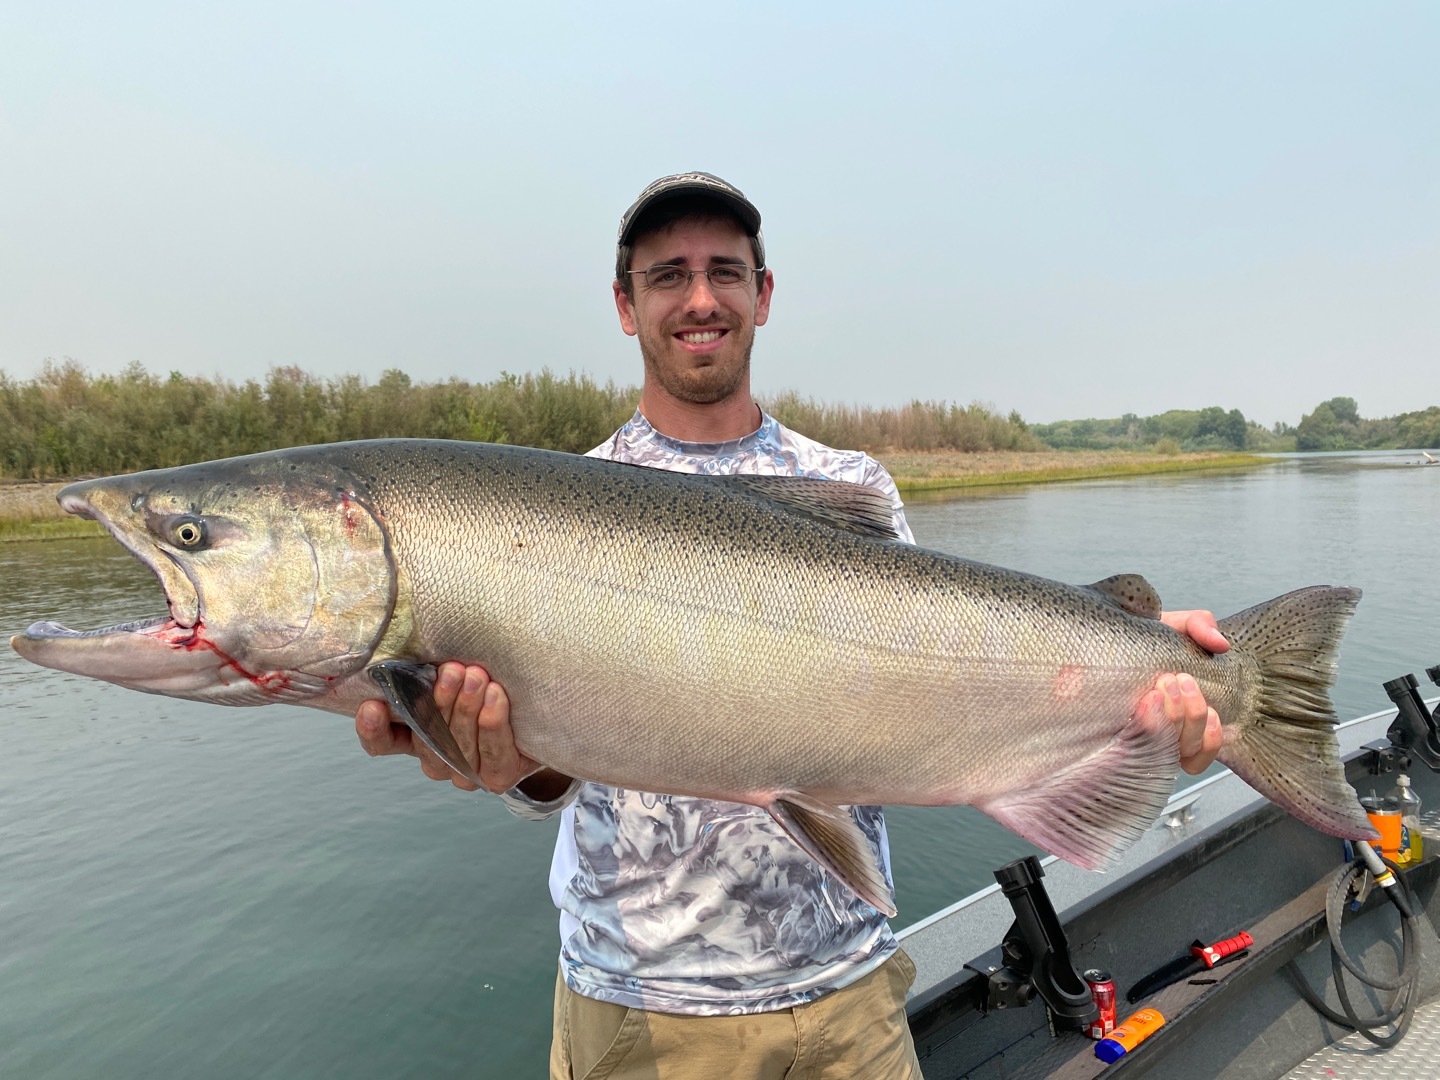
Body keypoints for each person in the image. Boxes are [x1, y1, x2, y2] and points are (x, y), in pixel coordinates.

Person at [354, 172, 1228, 1079]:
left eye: (725, 272)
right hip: (640, 1013)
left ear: (762, 296)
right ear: (625, 305)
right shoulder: (534, 514)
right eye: (667, 276)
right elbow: (548, 772)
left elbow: (950, 660)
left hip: (848, 997)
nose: (700, 299)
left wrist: (1135, 656)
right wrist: (515, 772)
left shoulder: (853, 486)